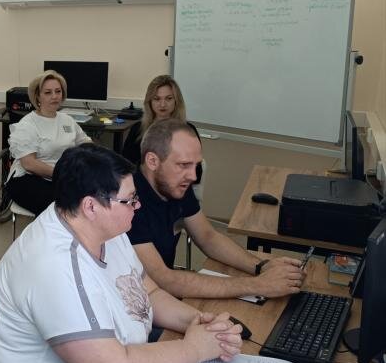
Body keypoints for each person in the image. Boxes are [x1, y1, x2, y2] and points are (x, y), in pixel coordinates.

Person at [0, 143, 242, 363]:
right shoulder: (55, 265)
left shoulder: (103, 227)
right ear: (91, 206)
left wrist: (200, 322)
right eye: (130, 200)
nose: (138, 206)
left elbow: (147, 293)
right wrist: (194, 348)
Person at [128, 118, 305, 301]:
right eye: (183, 165)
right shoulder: (127, 203)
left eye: (196, 165)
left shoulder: (173, 185)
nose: (193, 176)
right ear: (152, 161)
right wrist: (259, 285)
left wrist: (262, 266)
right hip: (136, 305)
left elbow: (208, 237)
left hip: (162, 299)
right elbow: (165, 280)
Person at [5, 70, 91, 215]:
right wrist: (62, 174)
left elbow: (85, 142)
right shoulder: (28, 124)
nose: (54, 96)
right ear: (37, 96)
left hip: (60, 176)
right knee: (65, 205)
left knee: (94, 197)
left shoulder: (67, 120)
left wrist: (96, 157)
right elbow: (29, 163)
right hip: (28, 178)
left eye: (58, 91)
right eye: (48, 92)